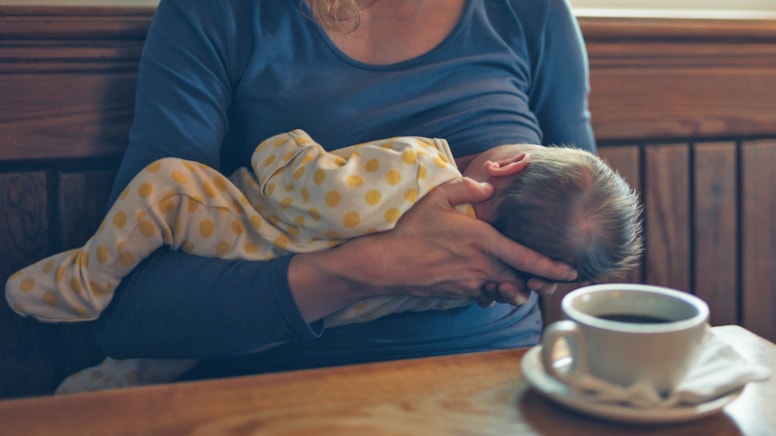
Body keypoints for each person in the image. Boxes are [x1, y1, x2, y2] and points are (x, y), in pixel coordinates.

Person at [12, 0, 600, 388]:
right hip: (283, 395)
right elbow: (131, 317)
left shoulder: (529, 13)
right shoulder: (218, 14)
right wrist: (375, 269)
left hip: (498, 391)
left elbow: (583, 233)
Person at [7, 129, 642, 392]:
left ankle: (83, 280)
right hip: (280, 330)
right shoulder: (466, 282)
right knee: (159, 362)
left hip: (237, 238)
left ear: (507, 164)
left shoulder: (422, 167)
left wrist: (284, 147)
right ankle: (94, 384)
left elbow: (307, 188)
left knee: (166, 186)